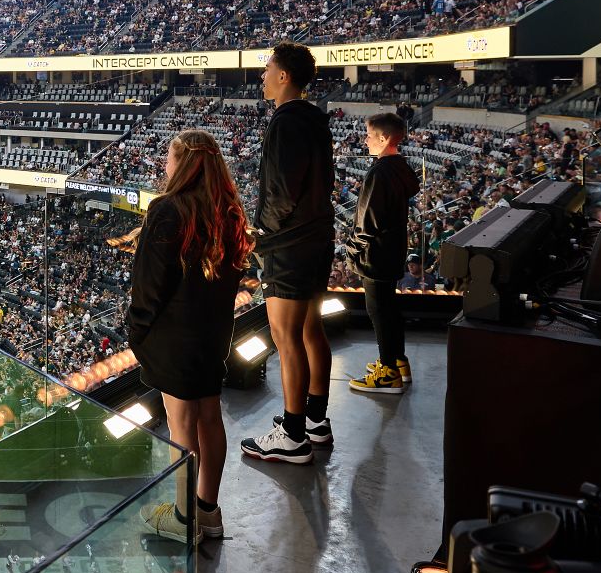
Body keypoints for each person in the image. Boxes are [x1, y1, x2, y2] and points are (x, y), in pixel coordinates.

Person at [130, 129, 251, 542]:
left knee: (181, 430)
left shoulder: (168, 210)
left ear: (182, 165)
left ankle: (184, 522)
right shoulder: (230, 212)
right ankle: (207, 511)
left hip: (173, 338)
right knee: (209, 420)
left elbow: (148, 285)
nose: (165, 167)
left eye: (169, 159)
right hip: (213, 334)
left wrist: (137, 331)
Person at [241, 42, 335, 465]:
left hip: (290, 246)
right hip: (317, 238)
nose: (262, 76)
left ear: (283, 77)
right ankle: (316, 419)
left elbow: (282, 192)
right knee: (312, 329)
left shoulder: (285, 122)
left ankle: (292, 434)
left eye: (267, 69)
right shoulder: (315, 118)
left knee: (286, 337)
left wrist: (262, 234)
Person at [346, 112, 420, 394]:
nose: (365, 140)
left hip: (376, 254)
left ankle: (388, 373)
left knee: (378, 310)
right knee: (389, 308)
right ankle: (397, 360)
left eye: (368, 134)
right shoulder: (400, 166)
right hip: (393, 249)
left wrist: (352, 250)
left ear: (384, 137)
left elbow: (368, 222)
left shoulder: (380, 171)